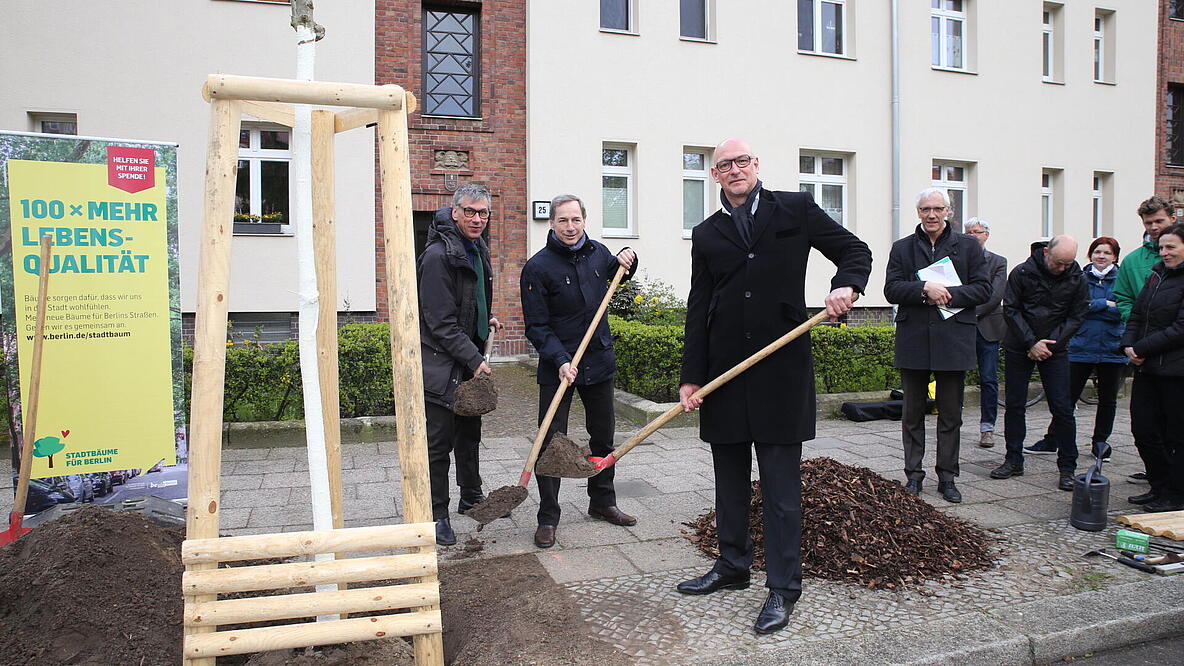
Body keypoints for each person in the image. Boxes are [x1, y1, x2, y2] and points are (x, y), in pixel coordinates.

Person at [676, 138, 871, 635]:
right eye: (725, 165)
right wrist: (691, 377)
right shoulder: (707, 233)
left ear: (756, 166)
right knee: (729, 482)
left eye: (743, 161)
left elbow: (854, 249)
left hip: (779, 367)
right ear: (714, 176)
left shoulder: (795, 208)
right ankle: (732, 566)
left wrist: (846, 284)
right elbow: (700, 305)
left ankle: (784, 588)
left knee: (782, 489)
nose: (735, 169)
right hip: (724, 372)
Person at [520, 194, 638, 549]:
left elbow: (620, 275)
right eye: (563, 221)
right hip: (559, 368)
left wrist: (628, 262)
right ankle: (548, 516)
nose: (570, 227)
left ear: (584, 220)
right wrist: (559, 359)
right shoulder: (537, 268)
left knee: (602, 436)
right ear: (552, 223)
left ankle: (602, 501)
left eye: (576, 220)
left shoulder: (598, 254)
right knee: (551, 443)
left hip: (599, 361)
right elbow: (536, 326)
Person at [884, 191, 991, 503]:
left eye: (937, 209)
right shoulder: (903, 247)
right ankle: (913, 476)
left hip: (953, 339)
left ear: (949, 211)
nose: (931, 215)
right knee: (912, 413)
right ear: (918, 212)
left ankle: (947, 477)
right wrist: (923, 289)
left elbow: (983, 288)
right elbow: (891, 288)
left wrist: (947, 293)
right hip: (914, 339)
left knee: (950, 415)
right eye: (925, 209)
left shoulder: (969, 246)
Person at [418, 184, 502, 546]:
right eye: (470, 211)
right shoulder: (438, 255)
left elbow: (472, 298)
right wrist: (473, 359)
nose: (477, 219)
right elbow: (439, 321)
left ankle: (471, 497)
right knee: (439, 445)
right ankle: (436, 515)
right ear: (454, 212)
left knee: (469, 436)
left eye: (483, 213)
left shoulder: (476, 247)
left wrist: (487, 322)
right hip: (442, 364)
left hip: (468, 360)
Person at [990, 236, 1088, 490]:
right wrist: (1031, 342)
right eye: (1058, 263)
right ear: (1046, 253)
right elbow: (1011, 309)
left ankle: (1068, 467)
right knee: (1014, 405)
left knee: (1063, 408)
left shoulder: (1077, 278)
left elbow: (1077, 316)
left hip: (1055, 348)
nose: (1062, 268)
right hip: (1019, 345)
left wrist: (1049, 344)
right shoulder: (1022, 272)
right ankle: (1013, 459)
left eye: (1068, 263)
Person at [1024, 237, 1127, 466]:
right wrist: (1105, 305)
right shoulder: (1080, 276)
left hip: (1111, 347)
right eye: (1097, 252)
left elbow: (1122, 307)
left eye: (1107, 253)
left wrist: (1098, 306)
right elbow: (1078, 308)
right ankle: (1054, 439)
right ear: (1090, 255)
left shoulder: (1122, 278)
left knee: (1107, 399)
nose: (1101, 256)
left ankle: (1100, 441)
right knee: (1064, 399)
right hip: (1080, 346)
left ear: (1115, 257)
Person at [1113, 196, 1178, 483]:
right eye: (1148, 223)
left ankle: (1172, 486)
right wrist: (1131, 342)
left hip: (1174, 357)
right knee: (1145, 427)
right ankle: (1158, 480)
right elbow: (1129, 303)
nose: (1153, 228)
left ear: (1172, 219)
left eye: (1159, 222)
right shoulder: (1138, 262)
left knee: (1174, 428)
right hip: (1144, 354)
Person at [1121, 225, 1184, 512]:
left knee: (1176, 436)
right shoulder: (1157, 276)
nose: (1164, 252)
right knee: (1144, 430)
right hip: (1147, 369)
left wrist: (1142, 348)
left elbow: (1180, 328)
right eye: (1161, 247)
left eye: (1171, 247)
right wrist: (1128, 345)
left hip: (1176, 372)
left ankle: (1175, 492)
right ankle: (1158, 486)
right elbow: (1137, 313)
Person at [963, 218, 1007, 448]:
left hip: (987, 327)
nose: (972, 236)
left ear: (986, 235)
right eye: (968, 232)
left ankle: (987, 428)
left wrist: (970, 313)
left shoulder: (998, 262)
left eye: (976, 232)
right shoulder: (957, 260)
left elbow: (995, 294)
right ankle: (953, 423)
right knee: (955, 376)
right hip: (961, 326)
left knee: (988, 379)